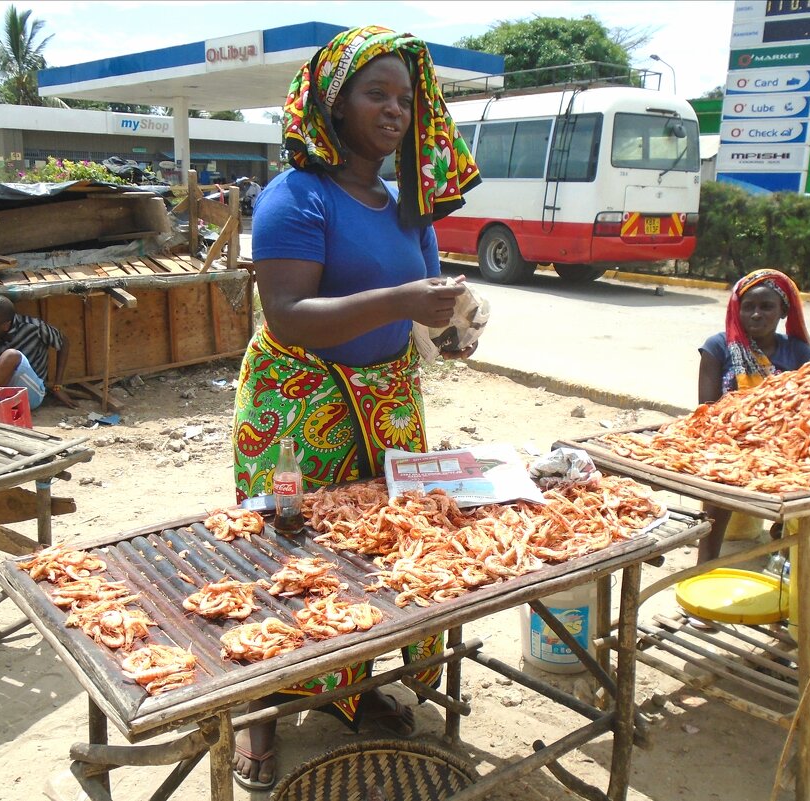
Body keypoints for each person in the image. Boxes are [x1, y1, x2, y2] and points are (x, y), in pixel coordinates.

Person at [229, 25, 481, 790]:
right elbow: (288, 315)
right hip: (297, 409)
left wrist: (452, 328)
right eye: (376, 93)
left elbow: (424, 314)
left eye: (405, 98)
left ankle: (355, 689)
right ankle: (258, 711)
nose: (395, 110)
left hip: (387, 401)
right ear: (334, 107)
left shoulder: (408, 205)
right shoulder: (295, 196)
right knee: (285, 549)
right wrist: (408, 297)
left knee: (379, 548)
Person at [695, 269, 810, 566]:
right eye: (748, 307)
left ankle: (784, 559)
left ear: (783, 311)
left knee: (808, 494)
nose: (756, 314)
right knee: (719, 490)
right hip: (728, 440)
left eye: (767, 307)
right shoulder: (718, 347)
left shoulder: (798, 353)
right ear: (737, 309)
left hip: (783, 444)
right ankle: (703, 568)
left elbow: (807, 407)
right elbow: (706, 409)